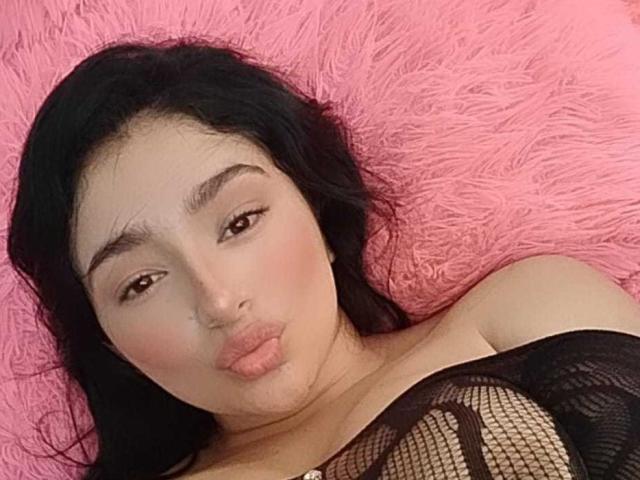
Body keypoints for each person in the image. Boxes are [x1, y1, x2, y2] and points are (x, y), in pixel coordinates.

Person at [7, 37, 640, 480]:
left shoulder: (524, 312)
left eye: (239, 222)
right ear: (110, 342)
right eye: (142, 282)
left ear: (316, 207)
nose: (218, 300)